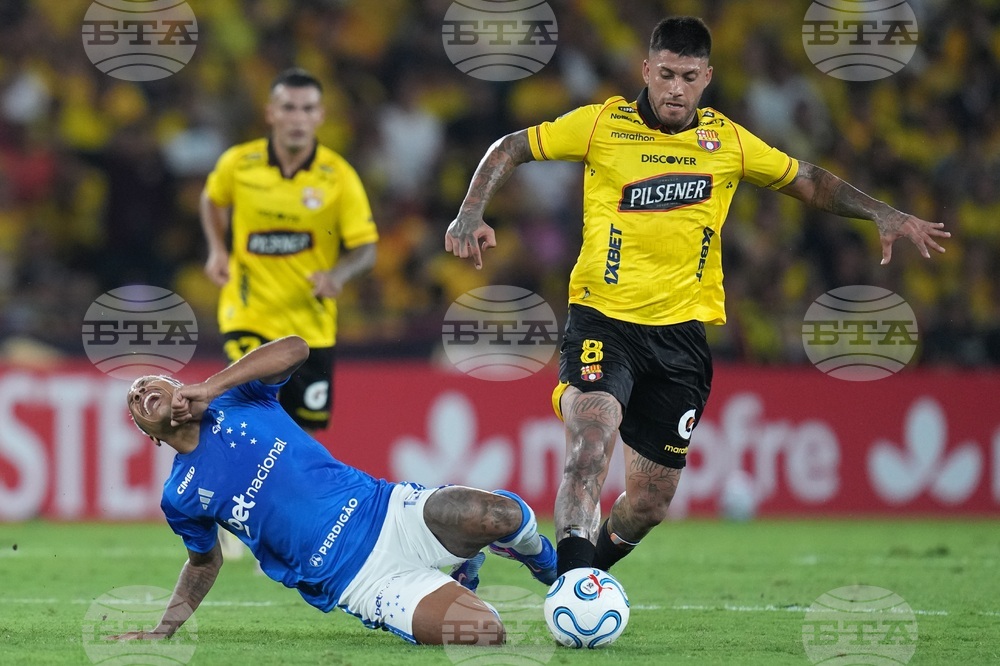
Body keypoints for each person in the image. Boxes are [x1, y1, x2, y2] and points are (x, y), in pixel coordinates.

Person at [445, 17, 950, 577]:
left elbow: (805, 178)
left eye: (688, 77)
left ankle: (571, 575)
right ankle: (572, 582)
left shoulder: (726, 141)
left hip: (680, 339)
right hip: (602, 321)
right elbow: (512, 146)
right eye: (665, 74)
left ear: (707, 77)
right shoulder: (601, 125)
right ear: (646, 70)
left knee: (648, 504)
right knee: (591, 444)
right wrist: (471, 211)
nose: (675, 89)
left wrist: (880, 212)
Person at [111, 336, 557, 646]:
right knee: (485, 634)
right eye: (134, 400)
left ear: (176, 387)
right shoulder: (180, 495)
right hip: (358, 580)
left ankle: (537, 555)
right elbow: (203, 562)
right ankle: (458, 571)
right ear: (151, 436)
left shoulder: (235, 398)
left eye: (149, 382)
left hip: (386, 510)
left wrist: (212, 387)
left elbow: (296, 349)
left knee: (502, 516)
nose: (140, 391)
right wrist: (163, 630)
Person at [199, 67, 377, 433]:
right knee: (249, 422)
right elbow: (211, 199)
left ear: (320, 116)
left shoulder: (339, 176)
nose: (298, 118)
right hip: (249, 314)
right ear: (271, 113)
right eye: (289, 107)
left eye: (307, 109)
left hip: (310, 326)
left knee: (302, 436)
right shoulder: (239, 163)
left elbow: (366, 248)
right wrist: (217, 249)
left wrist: (338, 275)